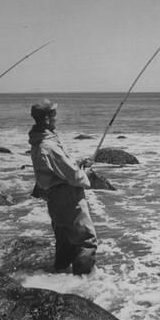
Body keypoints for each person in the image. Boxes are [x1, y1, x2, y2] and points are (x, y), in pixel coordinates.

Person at [28, 99, 97, 275]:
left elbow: (57, 168)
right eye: (54, 115)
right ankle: (83, 284)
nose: (56, 118)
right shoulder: (48, 145)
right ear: (46, 119)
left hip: (55, 197)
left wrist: (79, 163)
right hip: (68, 196)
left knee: (64, 240)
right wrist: (84, 175)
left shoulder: (39, 142)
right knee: (85, 240)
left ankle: (60, 277)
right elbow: (73, 176)